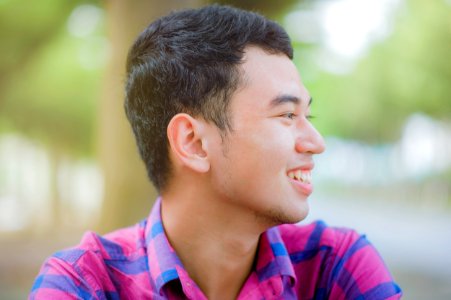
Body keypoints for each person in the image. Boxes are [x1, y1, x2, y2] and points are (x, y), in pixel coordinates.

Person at [30, 4, 402, 299]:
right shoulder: (84, 285)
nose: (316, 142)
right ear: (192, 142)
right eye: (287, 115)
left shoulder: (333, 268)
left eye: (308, 114)